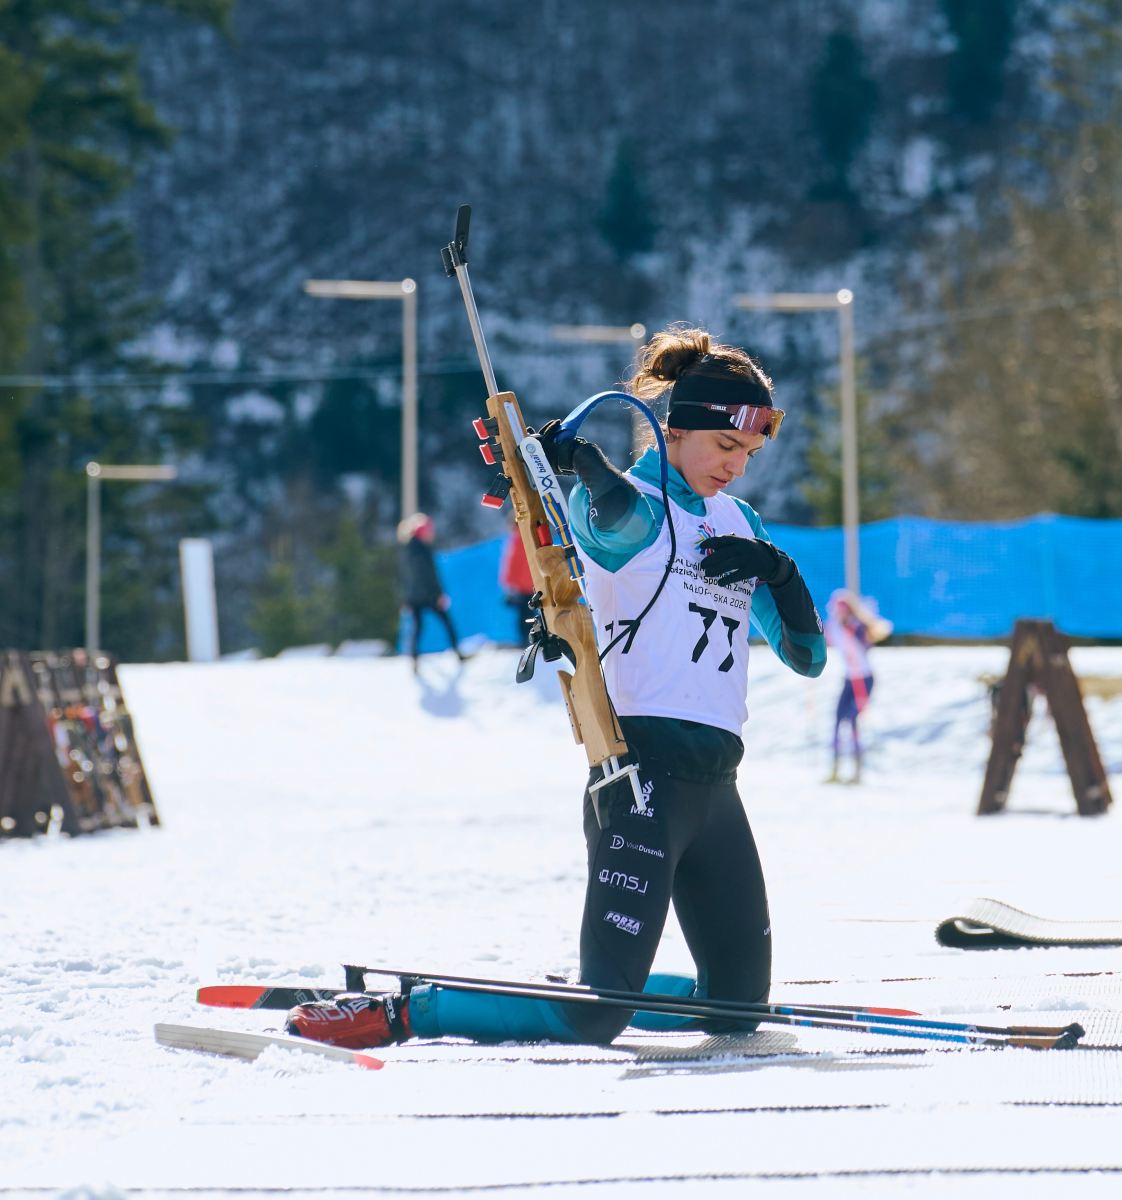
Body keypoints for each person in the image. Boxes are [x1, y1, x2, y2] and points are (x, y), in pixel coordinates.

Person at [289, 324, 826, 1049]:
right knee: (594, 1017)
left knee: (736, 1009)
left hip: (717, 787)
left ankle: (575, 987)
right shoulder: (632, 506)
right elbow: (615, 522)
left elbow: (807, 657)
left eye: (750, 454)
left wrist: (780, 572)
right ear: (675, 429)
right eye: (726, 445)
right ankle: (405, 1012)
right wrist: (586, 467)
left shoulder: (739, 520)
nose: (736, 465)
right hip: (643, 782)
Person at [824, 590, 892, 784]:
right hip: (849, 679)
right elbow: (825, 639)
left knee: (853, 719)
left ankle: (857, 770)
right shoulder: (834, 627)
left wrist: (856, 632)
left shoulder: (857, 626)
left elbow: (869, 640)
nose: (839, 613)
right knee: (838, 718)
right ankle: (835, 769)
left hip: (864, 679)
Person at [398, 513, 464, 669]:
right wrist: (438, 594)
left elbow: (403, 578)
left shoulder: (407, 550)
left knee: (417, 629)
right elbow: (429, 576)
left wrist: (405, 599)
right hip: (428, 596)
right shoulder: (422, 551)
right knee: (446, 623)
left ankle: (414, 658)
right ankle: (458, 653)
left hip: (413, 597)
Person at [498, 526, 535, 646]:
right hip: (534, 582)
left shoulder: (516, 540)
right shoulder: (530, 536)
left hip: (523, 586)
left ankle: (527, 639)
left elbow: (512, 563)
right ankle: (535, 637)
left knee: (524, 614)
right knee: (533, 612)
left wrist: (508, 583)